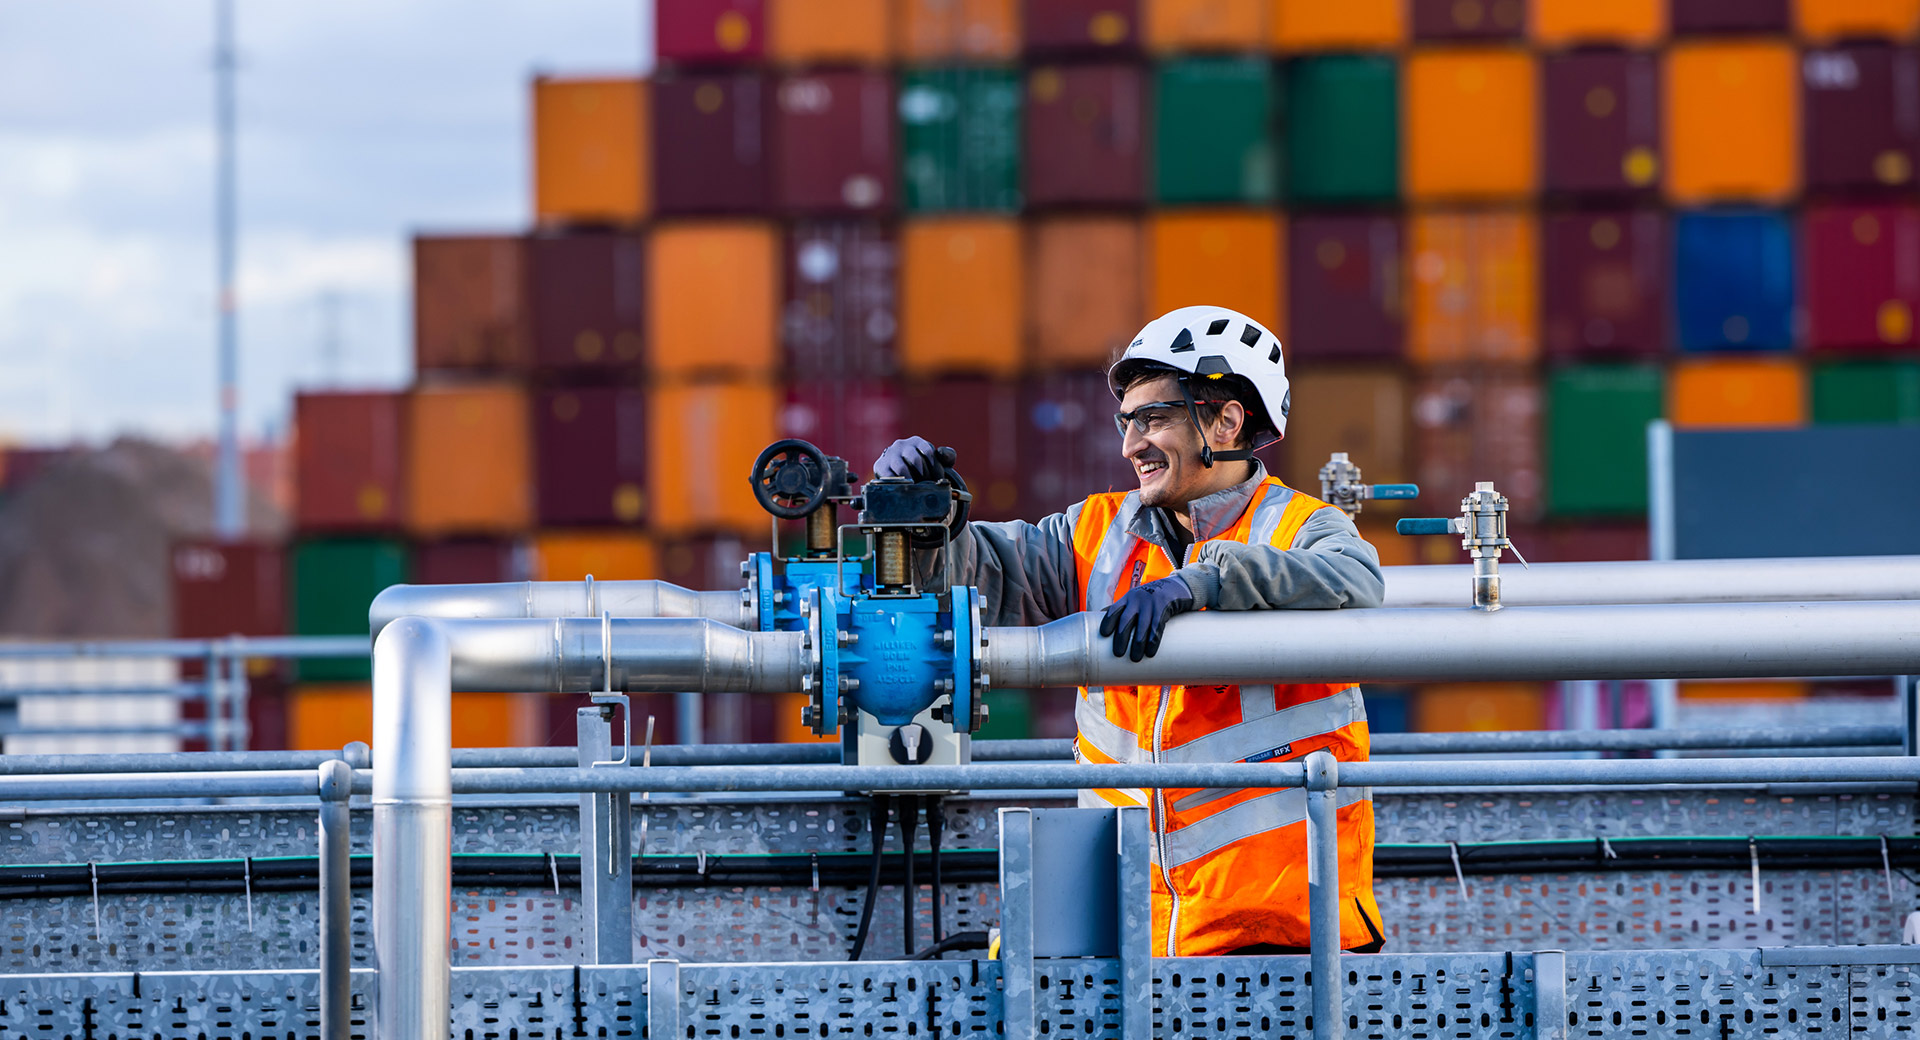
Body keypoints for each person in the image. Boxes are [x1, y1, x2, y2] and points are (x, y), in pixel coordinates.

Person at [873, 305, 1387, 957]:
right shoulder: (1097, 535)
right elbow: (985, 579)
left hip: (1282, 939)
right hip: (1131, 935)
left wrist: (1201, 581)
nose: (1129, 445)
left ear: (1226, 420)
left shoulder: (1303, 527)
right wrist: (928, 525)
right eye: (1127, 422)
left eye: (1153, 418)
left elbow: (1356, 582)